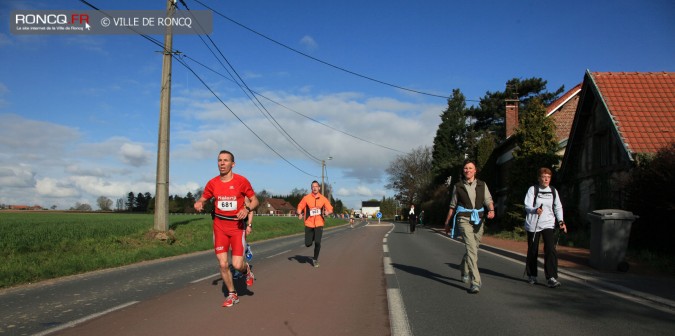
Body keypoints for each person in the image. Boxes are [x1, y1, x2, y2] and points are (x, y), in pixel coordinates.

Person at [194, 150, 259, 308]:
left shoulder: (241, 181)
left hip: (237, 228)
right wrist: (200, 202)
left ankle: (247, 270)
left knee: (237, 265)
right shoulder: (213, 183)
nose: (222, 163)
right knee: (223, 264)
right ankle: (232, 294)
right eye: (219, 160)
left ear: (232, 164)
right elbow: (205, 196)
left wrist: (247, 209)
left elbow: (254, 200)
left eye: (225, 160)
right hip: (220, 227)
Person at [443, 159, 495, 294]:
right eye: (466, 168)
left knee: (474, 248)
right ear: (463, 170)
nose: (468, 170)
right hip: (463, 218)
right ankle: (476, 281)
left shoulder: (482, 185)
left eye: (470, 168)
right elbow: (452, 206)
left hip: (479, 219)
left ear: (475, 170)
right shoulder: (458, 186)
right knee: (471, 248)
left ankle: (463, 267)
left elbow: (488, 200)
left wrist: (491, 210)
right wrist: (447, 222)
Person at [524, 167, 567, 288]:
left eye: (548, 177)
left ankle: (551, 277)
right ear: (539, 178)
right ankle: (532, 275)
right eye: (544, 177)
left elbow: (558, 207)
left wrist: (561, 221)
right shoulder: (533, 190)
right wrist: (535, 210)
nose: (546, 179)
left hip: (548, 223)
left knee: (550, 249)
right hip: (533, 223)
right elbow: (527, 206)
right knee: (533, 250)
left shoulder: (553, 190)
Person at [297, 180, 334, 267]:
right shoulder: (306, 198)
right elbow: (300, 207)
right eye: (313, 186)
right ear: (311, 188)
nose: (314, 188)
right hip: (309, 223)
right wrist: (299, 213)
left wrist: (328, 212)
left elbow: (330, 209)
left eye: (316, 186)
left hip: (319, 223)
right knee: (308, 244)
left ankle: (315, 259)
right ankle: (312, 236)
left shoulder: (323, 199)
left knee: (317, 242)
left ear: (319, 188)